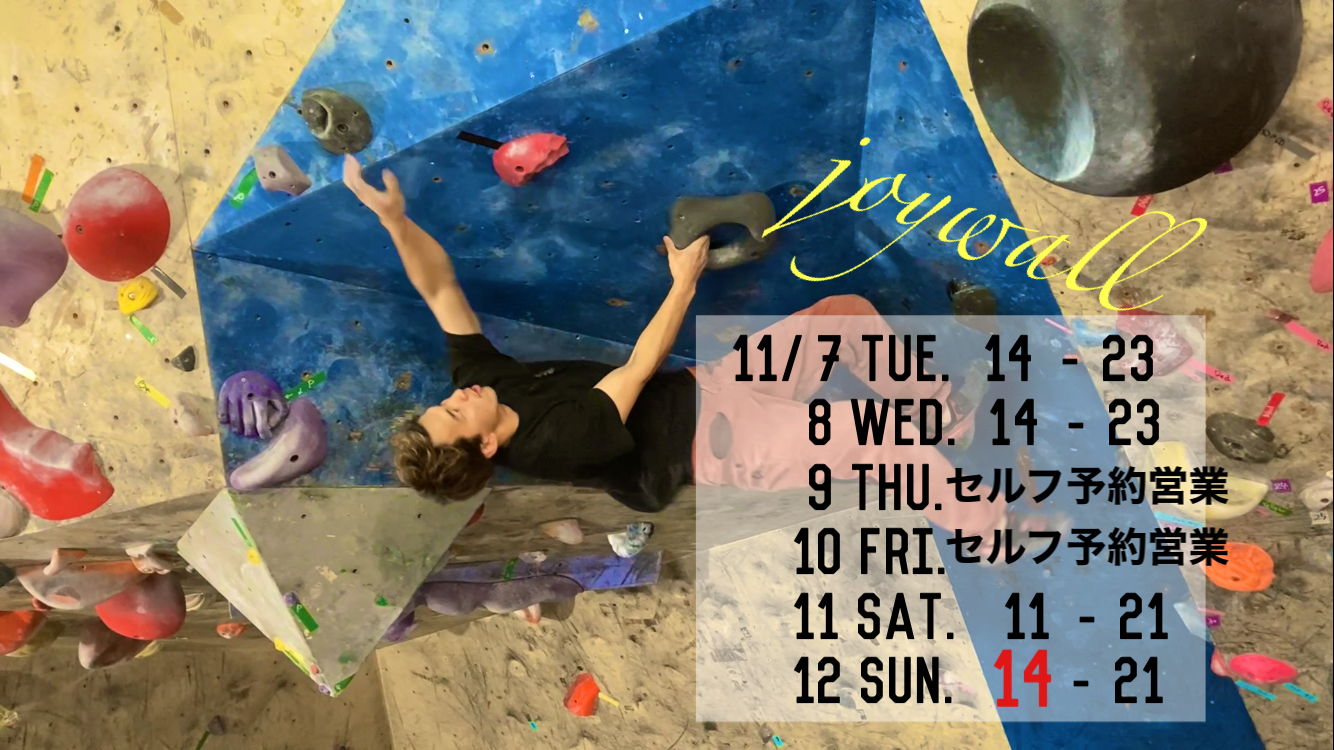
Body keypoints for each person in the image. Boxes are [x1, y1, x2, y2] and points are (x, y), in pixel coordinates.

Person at [342, 155, 1007, 544]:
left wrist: (394, 221)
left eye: (443, 404)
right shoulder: (553, 444)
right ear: (486, 445)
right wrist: (683, 281)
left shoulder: (482, 387)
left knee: (843, 315)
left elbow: (439, 288)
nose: (455, 397)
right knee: (881, 441)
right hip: (720, 442)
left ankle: (948, 416)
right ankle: (991, 529)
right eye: (454, 414)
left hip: (713, 387)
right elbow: (638, 367)